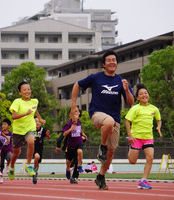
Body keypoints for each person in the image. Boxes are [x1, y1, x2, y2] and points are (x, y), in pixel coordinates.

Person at [71, 50, 134, 190]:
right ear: (104, 64)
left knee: (112, 151)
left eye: (114, 60)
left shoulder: (121, 81)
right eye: (109, 60)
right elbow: (76, 85)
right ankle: (102, 147)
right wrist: (73, 106)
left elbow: (130, 102)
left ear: (117, 63)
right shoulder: (95, 77)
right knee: (108, 123)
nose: (112, 62)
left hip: (115, 118)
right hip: (97, 113)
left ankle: (100, 176)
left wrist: (127, 90)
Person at [125, 83, 162, 189]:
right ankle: (130, 146)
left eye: (145, 93)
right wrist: (130, 135)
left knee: (150, 158)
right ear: (137, 97)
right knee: (132, 161)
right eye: (141, 94)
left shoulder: (154, 109)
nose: (144, 95)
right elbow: (127, 122)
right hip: (136, 138)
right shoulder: (135, 108)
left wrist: (158, 127)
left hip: (148, 138)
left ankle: (143, 180)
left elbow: (159, 120)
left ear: (148, 95)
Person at [8, 81, 45, 181]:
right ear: (20, 92)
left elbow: (35, 110)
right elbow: (14, 116)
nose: (27, 91)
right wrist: (25, 114)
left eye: (28, 89)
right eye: (24, 90)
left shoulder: (34, 101)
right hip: (18, 130)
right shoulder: (17, 102)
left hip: (30, 128)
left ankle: (28, 165)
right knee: (16, 153)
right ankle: (11, 167)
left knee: (31, 142)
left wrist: (40, 119)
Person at [62, 109, 87, 182]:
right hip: (70, 145)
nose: (75, 116)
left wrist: (83, 134)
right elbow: (64, 134)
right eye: (73, 114)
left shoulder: (79, 122)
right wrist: (70, 129)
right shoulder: (68, 124)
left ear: (79, 117)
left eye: (77, 115)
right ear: (71, 116)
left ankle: (79, 166)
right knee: (69, 160)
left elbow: (80, 129)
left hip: (79, 142)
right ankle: (67, 169)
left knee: (80, 151)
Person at [32, 117, 50, 184]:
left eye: (39, 121)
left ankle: (35, 173)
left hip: (40, 148)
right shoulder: (31, 130)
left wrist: (48, 135)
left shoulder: (43, 130)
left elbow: (48, 136)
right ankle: (34, 170)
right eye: (36, 121)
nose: (37, 123)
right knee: (37, 157)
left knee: (38, 161)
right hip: (33, 148)